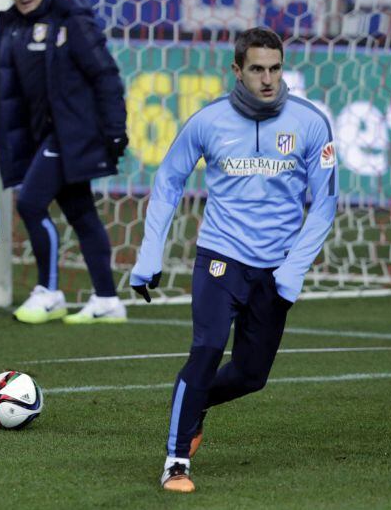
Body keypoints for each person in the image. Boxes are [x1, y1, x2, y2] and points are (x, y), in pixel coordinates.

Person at [130, 27, 338, 492]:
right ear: (237, 70)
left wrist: (293, 269)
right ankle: (176, 462)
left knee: (250, 376)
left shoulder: (310, 123)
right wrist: (149, 256)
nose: (268, 79)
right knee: (205, 350)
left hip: (275, 270)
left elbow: (325, 205)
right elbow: (167, 182)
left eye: (276, 68)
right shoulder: (208, 122)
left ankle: (194, 402)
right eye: (258, 69)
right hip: (220, 258)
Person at [0, 0, 129, 324]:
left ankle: (49, 292)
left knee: (30, 203)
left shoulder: (70, 19)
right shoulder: (15, 25)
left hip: (73, 134)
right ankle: (107, 300)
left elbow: (105, 74)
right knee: (81, 213)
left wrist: (115, 128)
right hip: (46, 136)